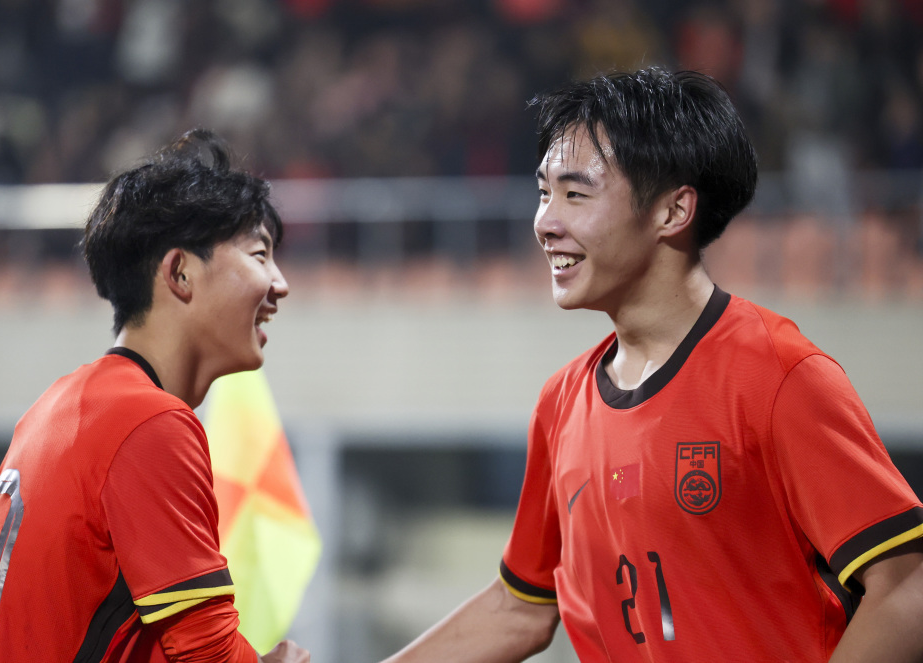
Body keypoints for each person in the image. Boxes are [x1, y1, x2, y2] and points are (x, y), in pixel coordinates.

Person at [382, 67, 923, 662]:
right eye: (543, 193)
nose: (546, 223)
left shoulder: (780, 375)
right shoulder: (561, 404)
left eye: (575, 194)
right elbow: (521, 609)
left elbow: (906, 591)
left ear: (673, 211)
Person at [0, 129, 310, 663]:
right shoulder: (148, 423)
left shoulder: (60, 407)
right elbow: (207, 656)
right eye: (260, 255)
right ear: (180, 272)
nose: (279, 285)